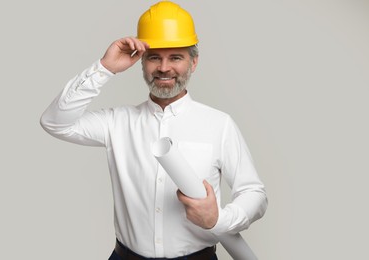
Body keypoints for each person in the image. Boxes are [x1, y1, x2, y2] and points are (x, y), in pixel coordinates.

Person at [40, 1, 267, 259]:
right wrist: (104, 68)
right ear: (141, 61)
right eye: (154, 57)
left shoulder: (219, 124)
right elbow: (55, 122)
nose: (163, 68)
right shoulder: (117, 122)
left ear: (193, 63)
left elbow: (254, 193)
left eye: (176, 57)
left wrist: (220, 219)